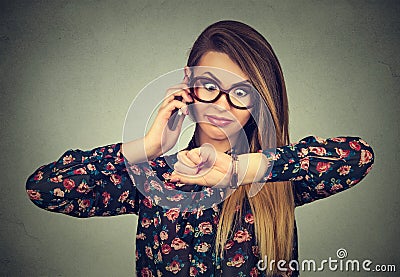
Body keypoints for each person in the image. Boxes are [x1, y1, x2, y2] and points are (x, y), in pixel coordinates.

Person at [26, 20, 374, 277]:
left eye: (240, 92)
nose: (222, 105)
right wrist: (148, 146)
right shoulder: (155, 177)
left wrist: (240, 171)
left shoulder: (274, 177)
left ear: (259, 101)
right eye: (209, 86)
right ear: (187, 87)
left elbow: (358, 157)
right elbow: (45, 188)